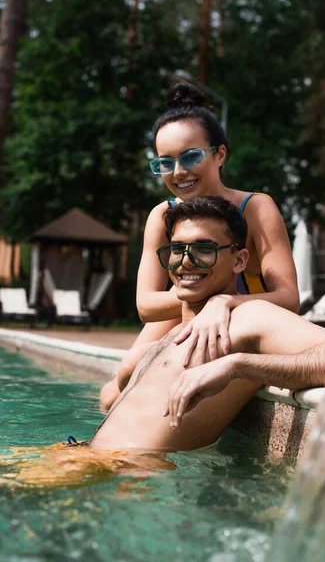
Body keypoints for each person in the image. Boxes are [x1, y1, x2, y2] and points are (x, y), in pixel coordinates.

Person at [100, 81, 300, 409]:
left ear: (219, 154)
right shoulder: (163, 214)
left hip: (244, 315)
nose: (178, 172)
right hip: (188, 310)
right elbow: (146, 305)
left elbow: (289, 299)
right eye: (164, 162)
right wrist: (208, 302)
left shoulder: (256, 208)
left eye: (191, 156)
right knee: (122, 380)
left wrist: (225, 302)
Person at [91, 197, 325, 451]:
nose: (186, 261)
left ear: (239, 261)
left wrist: (237, 366)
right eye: (177, 249)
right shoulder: (175, 333)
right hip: (84, 458)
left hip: (125, 475)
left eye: (204, 249)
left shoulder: (248, 317)